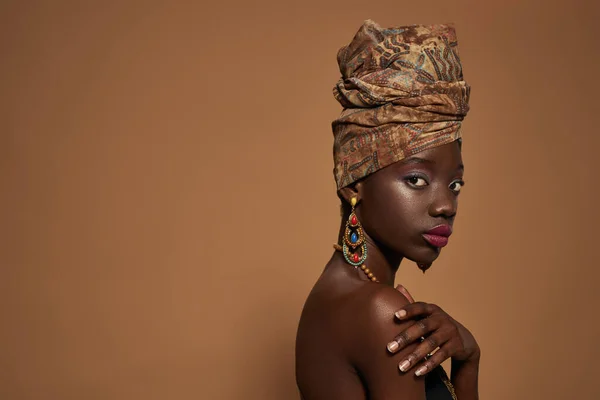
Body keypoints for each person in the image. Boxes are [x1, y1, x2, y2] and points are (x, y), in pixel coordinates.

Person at [295, 20, 480, 400]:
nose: (446, 205)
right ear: (353, 183)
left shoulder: (331, 298)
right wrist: (469, 363)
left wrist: (469, 356)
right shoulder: (381, 309)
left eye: (455, 184)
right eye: (416, 179)